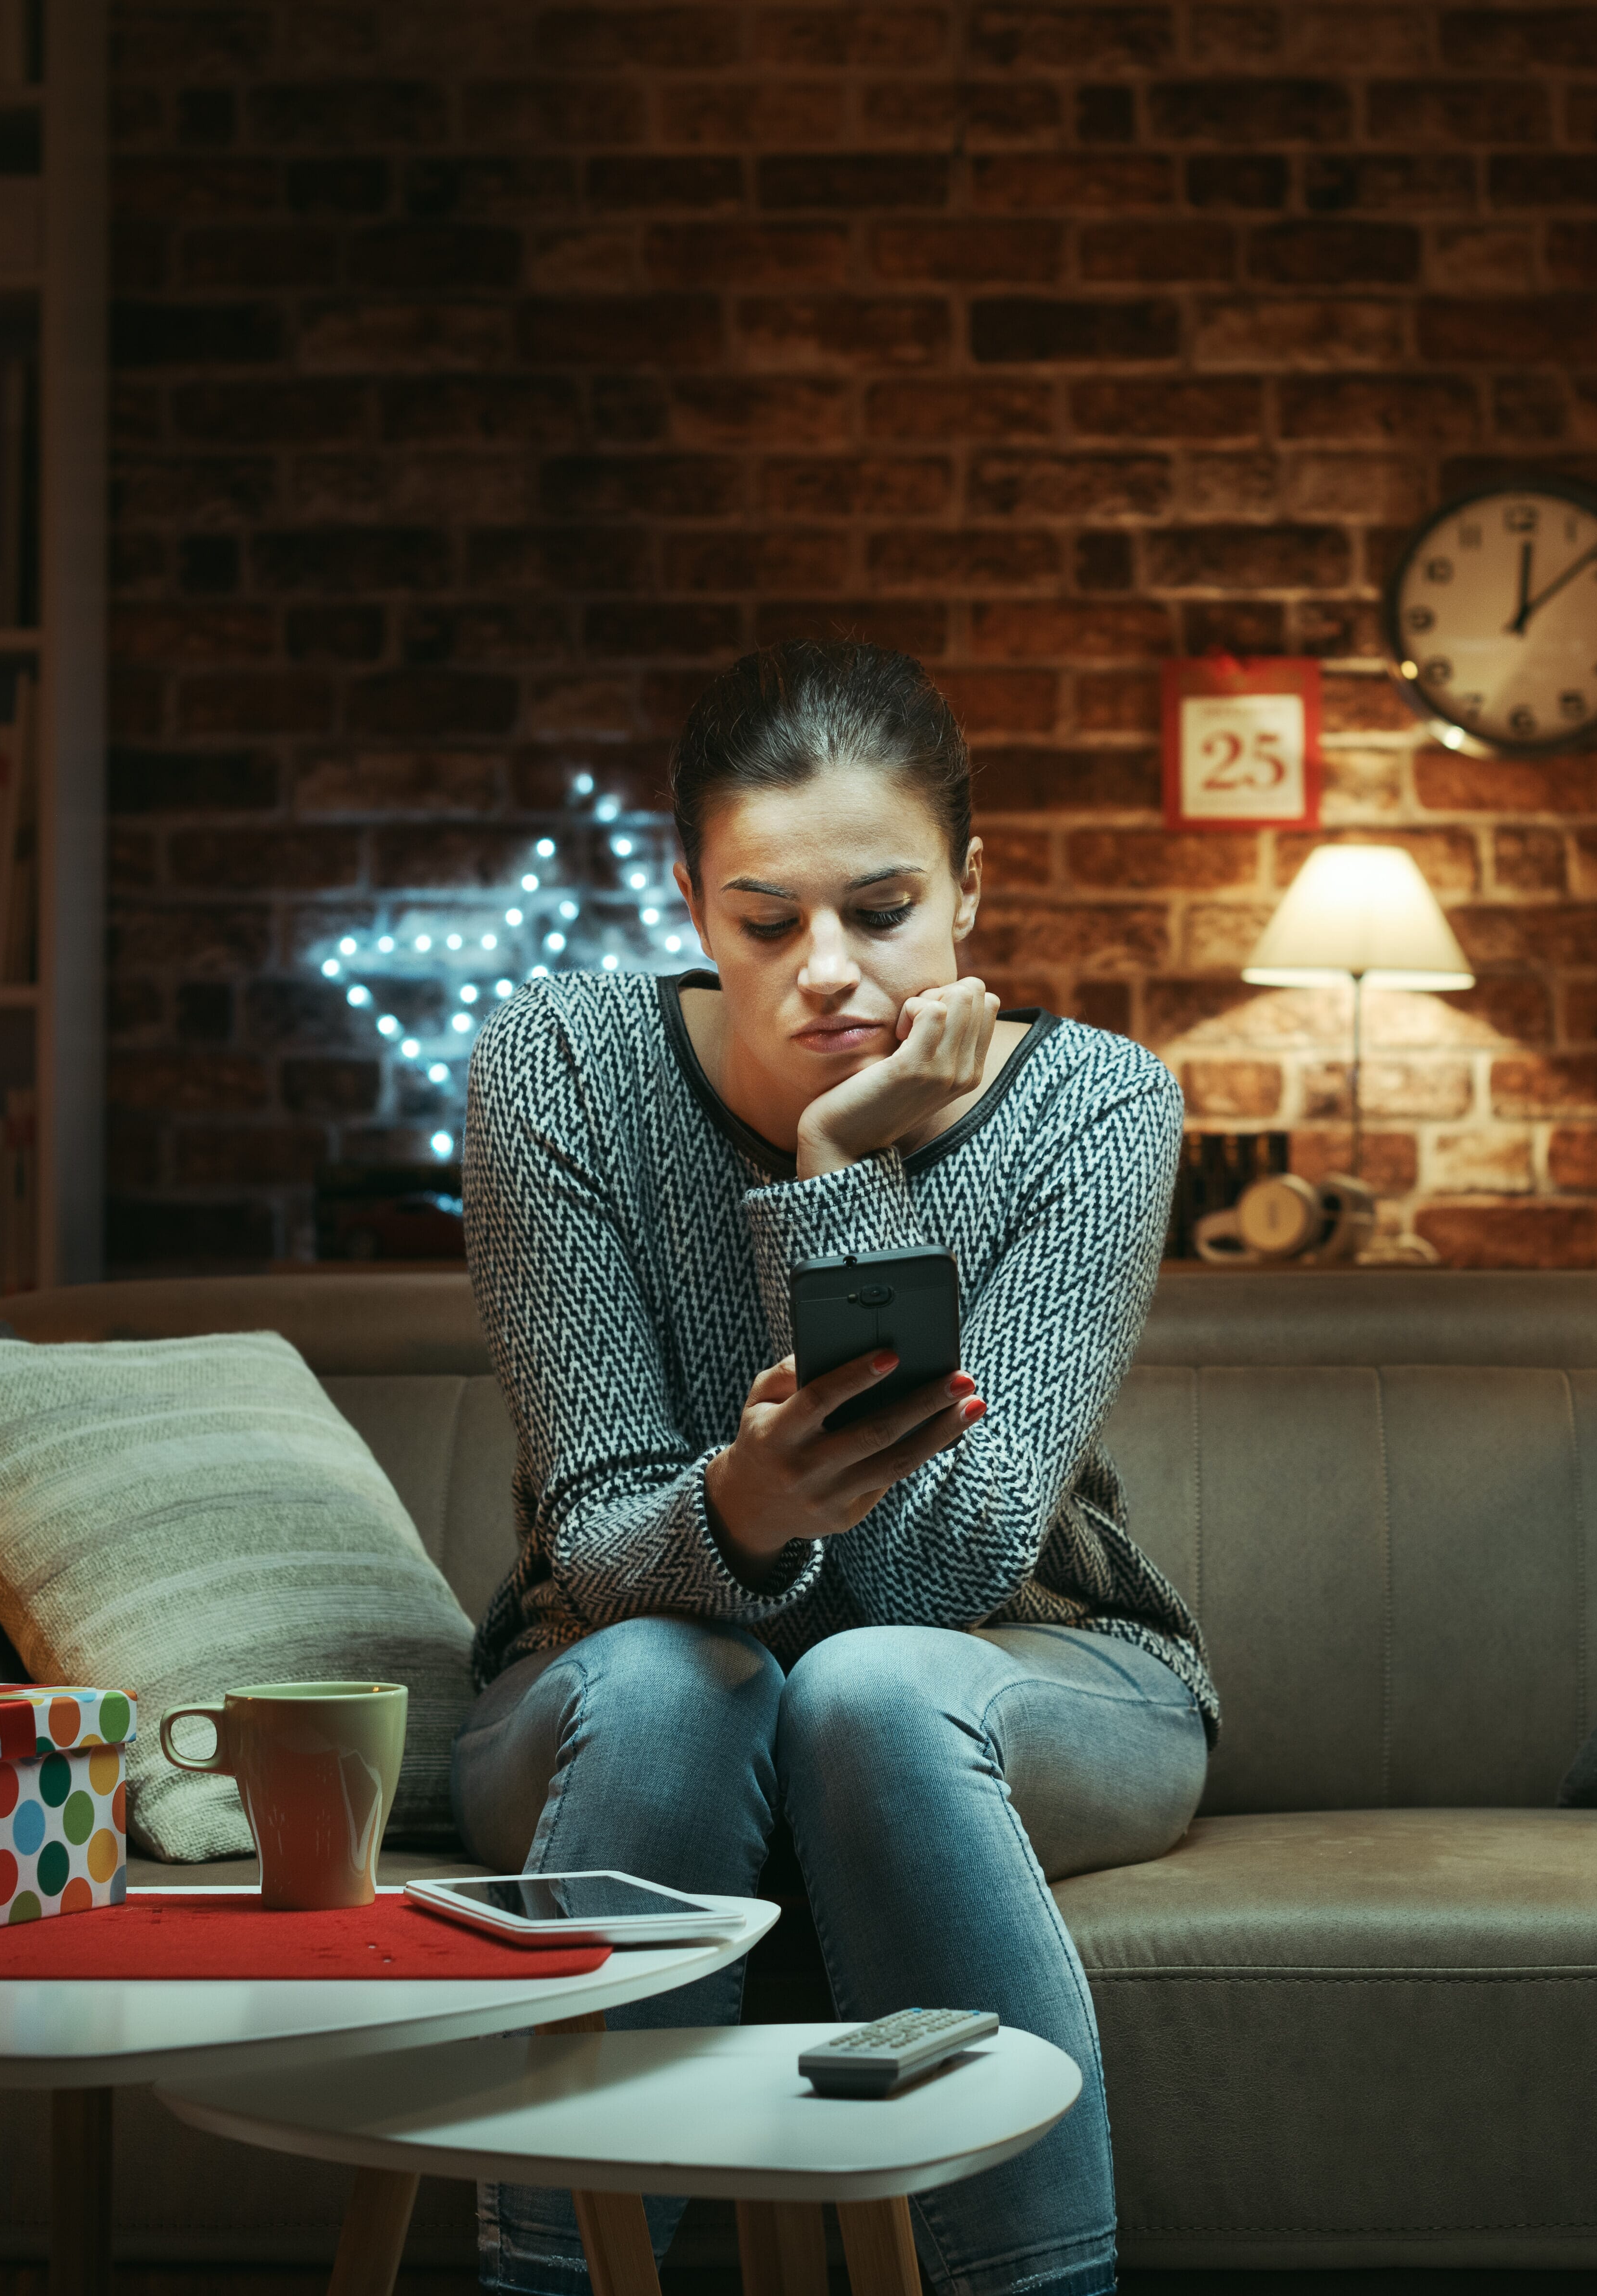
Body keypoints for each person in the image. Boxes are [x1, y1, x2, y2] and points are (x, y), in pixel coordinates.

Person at [454, 638, 1216, 2296]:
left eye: (880, 912)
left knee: (867, 1685)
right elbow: (594, 1543)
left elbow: (951, 1570)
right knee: (679, 1682)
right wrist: (745, 1510)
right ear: (687, 900)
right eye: (766, 920)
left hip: (1032, 1662)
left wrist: (834, 1170)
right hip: (615, 1670)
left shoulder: (1100, 1106)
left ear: (967, 893)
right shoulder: (559, 1072)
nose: (828, 972)